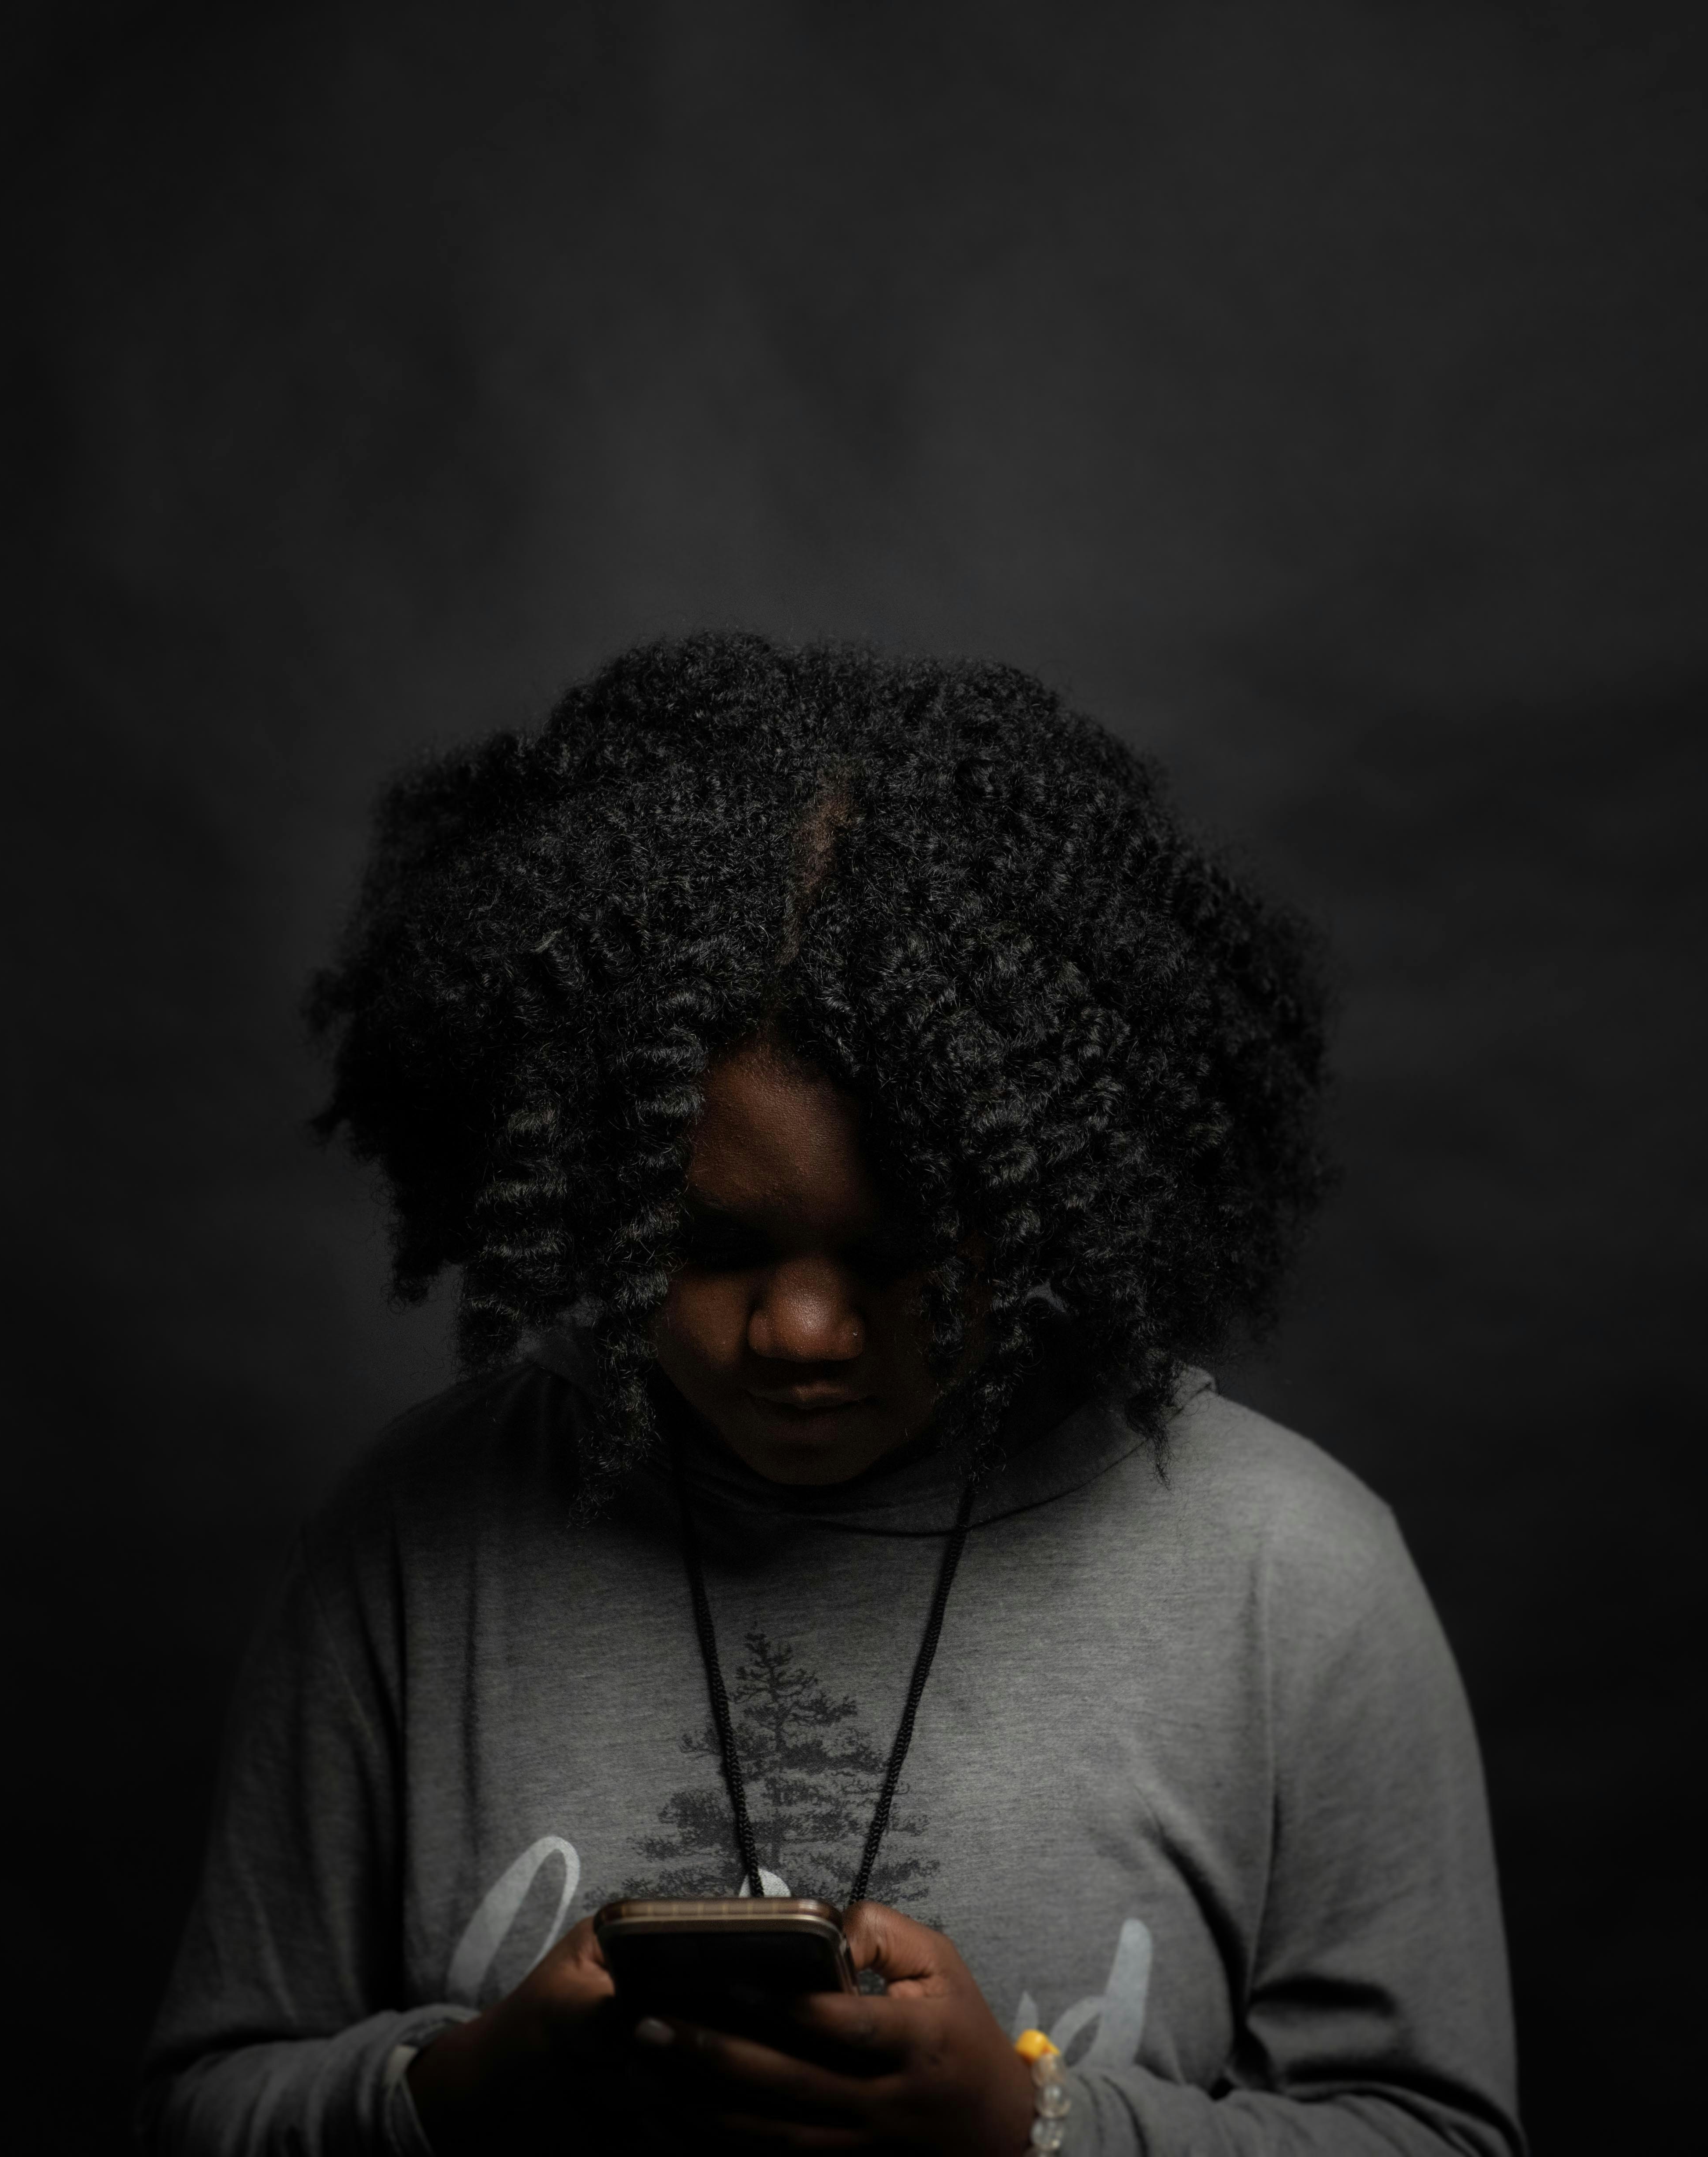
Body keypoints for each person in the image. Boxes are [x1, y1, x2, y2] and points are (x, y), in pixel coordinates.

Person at [140, 635, 1521, 2155]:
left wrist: (1033, 2130)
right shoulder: (411, 1545)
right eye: (711, 1243)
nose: (801, 1330)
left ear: (1046, 1204)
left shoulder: (1296, 1577)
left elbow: (1438, 2138)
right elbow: (203, 2108)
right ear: (583, 1188)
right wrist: (461, 2096)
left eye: (903, 1253)